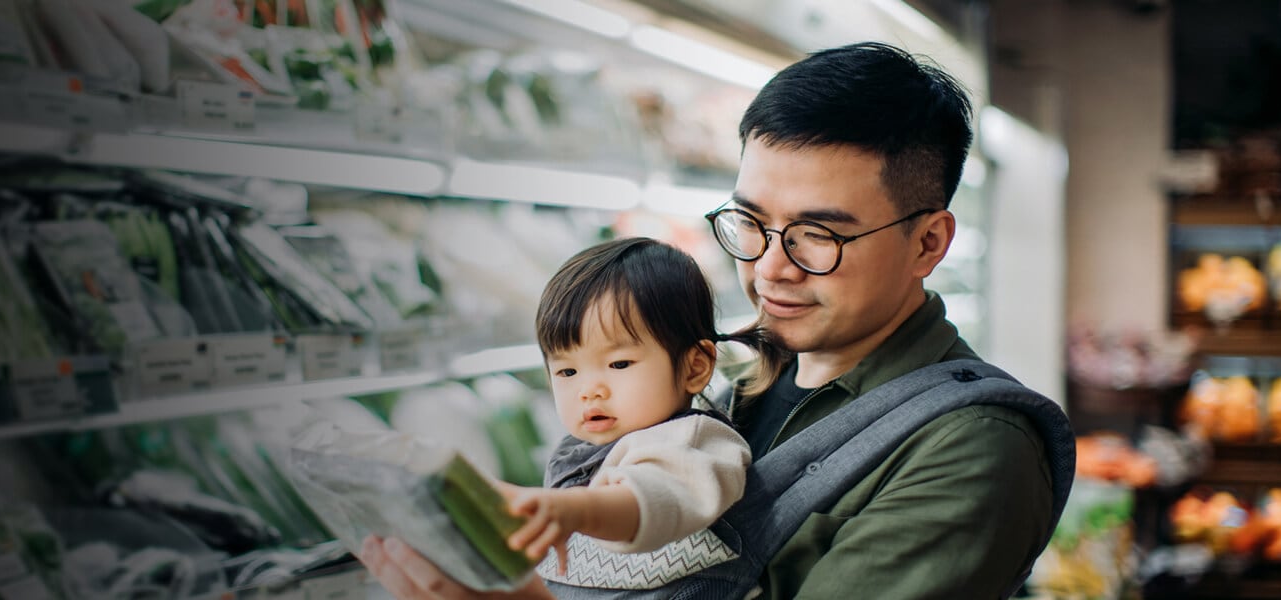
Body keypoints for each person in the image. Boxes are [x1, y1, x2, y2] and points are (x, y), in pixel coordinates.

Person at [361, 41, 1072, 599]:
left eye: (818, 236)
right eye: (752, 222)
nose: (770, 268)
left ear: (928, 242)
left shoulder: (977, 449)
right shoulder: (723, 367)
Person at [500, 236, 764, 584]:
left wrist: (575, 510)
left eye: (619, 363)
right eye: (567, 371)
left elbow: (651, 498)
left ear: (694, 368)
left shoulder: (694, 441)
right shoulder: (578, 450)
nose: (589, 390)